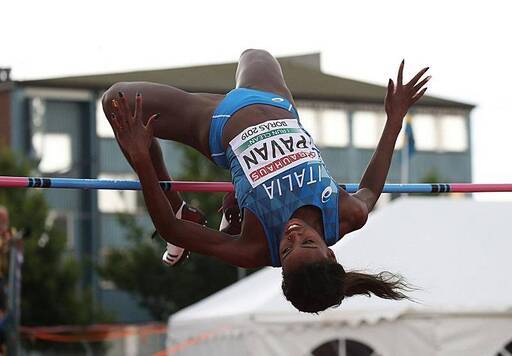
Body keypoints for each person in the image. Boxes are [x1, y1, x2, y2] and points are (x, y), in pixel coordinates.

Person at [102, 49, 429, 313]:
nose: (293, 235)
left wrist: (142, 161)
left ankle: (180, 207)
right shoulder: (347, 214)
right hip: (275, 104)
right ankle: (221, 210)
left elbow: (173, 233)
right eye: (308, 243)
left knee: (116, 101)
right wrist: (395, 119)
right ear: (330, 253)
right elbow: (371, 188)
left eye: (286, 250)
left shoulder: (255, 248)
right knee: (255, 55)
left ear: (280, 263)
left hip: (217, 122)